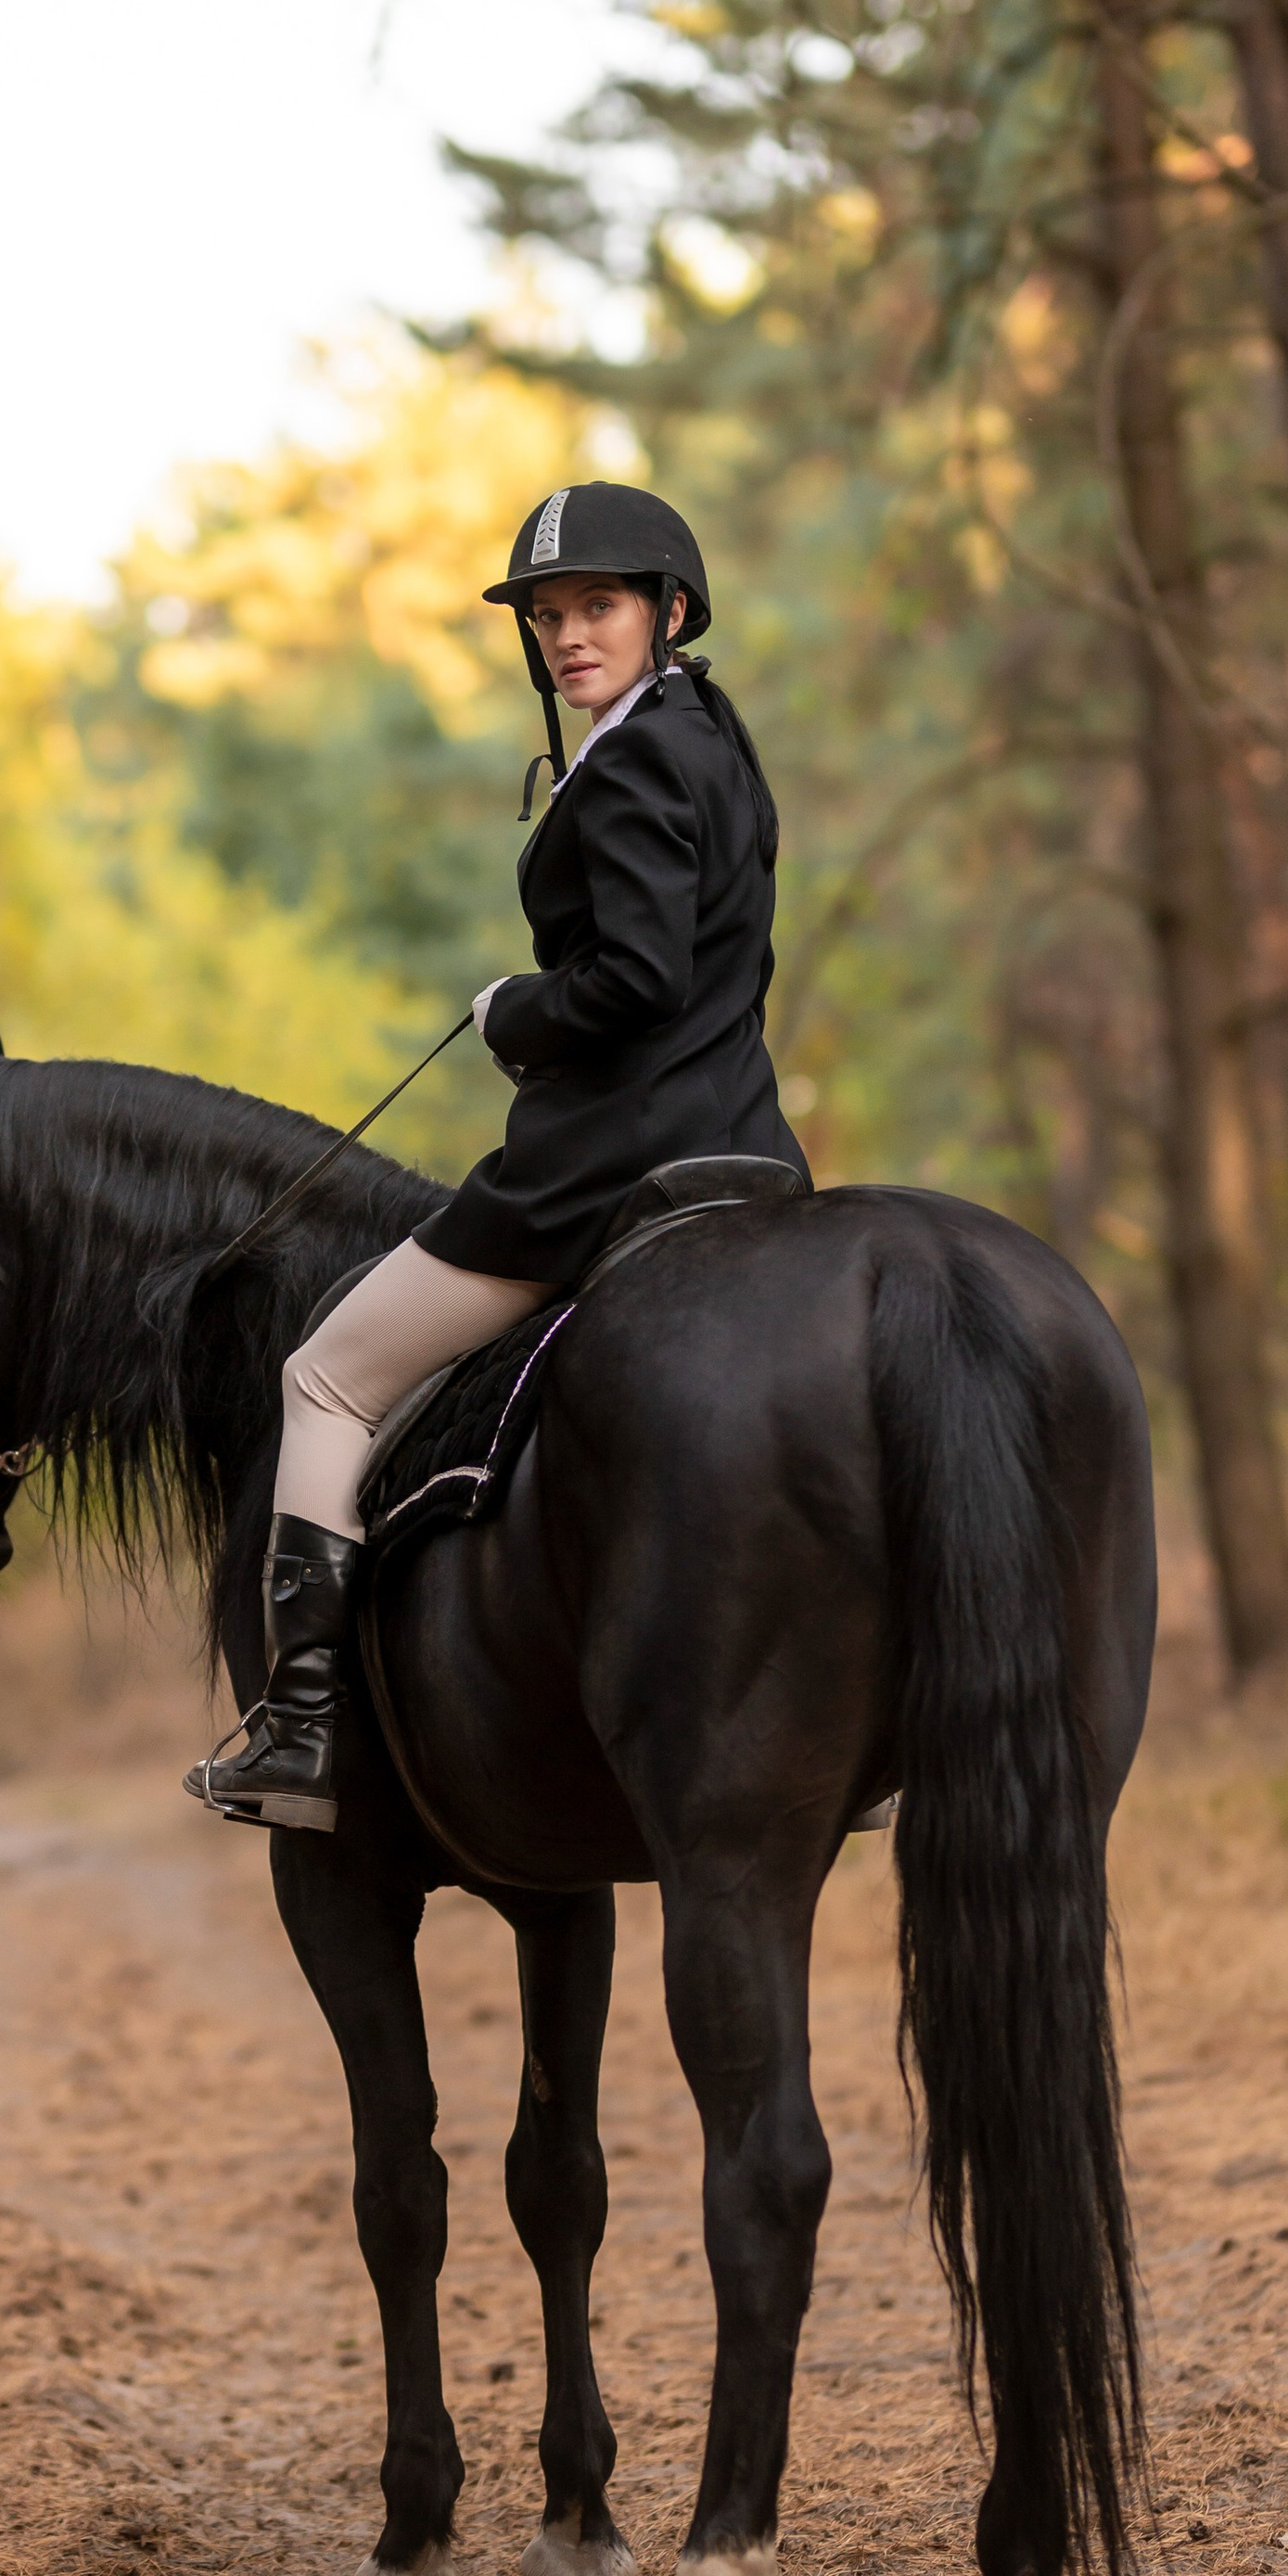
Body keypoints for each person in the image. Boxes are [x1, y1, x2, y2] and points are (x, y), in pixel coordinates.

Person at [185, 482, 810, 1832]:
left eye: (599, 607)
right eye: (549, 617)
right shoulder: (714, 737)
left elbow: (640, 978)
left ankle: (300, 1732)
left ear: (669, 611)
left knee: (327, 1378)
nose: (570, 637)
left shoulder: (635, 758)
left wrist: (512, 1011)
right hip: (746, 1139)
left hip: (602, 1164)